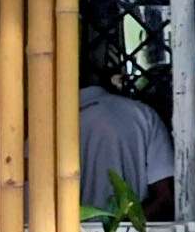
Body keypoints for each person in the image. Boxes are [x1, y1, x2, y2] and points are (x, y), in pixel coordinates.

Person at [75, 71, 177, 218]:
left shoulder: (51, 125)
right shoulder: (144, 115)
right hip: (132, 229)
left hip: (68, 231)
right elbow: (165, 197)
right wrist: (127, 224)